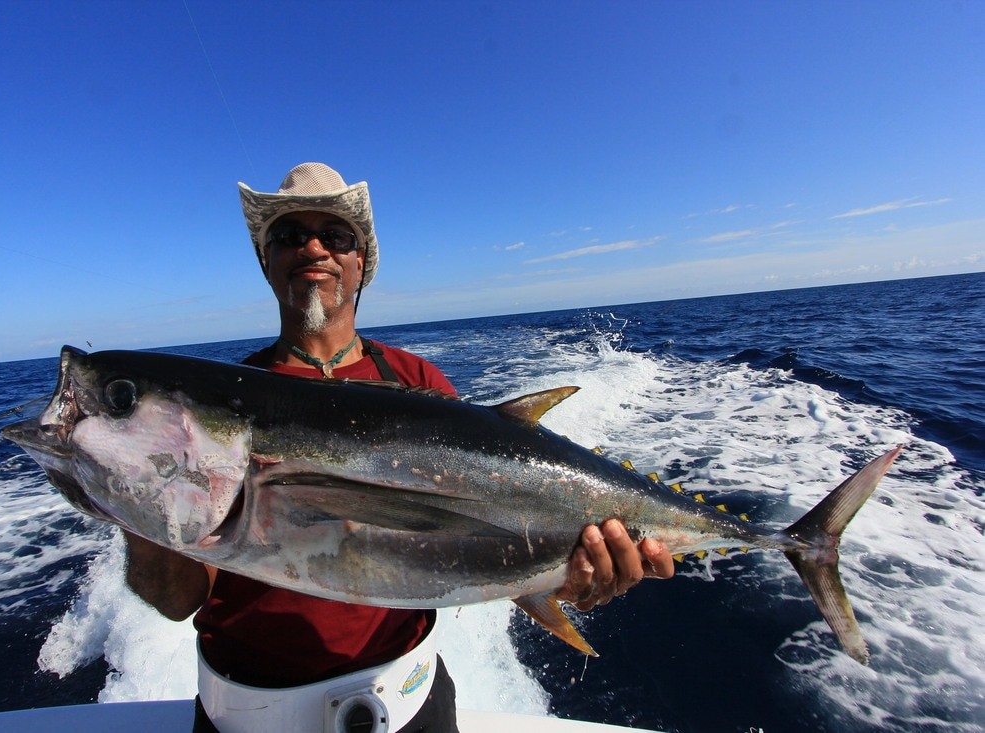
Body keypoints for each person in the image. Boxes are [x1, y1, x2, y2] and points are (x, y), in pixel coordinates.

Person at [123, 163, 675, 733]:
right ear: (267, 262)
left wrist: (569, 575)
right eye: (288, 235)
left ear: (361, 261)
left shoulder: (421, 385)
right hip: (245, 715)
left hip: (409, 705)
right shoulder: (218, 409)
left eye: (334, 235)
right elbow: (176, 599)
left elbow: (480, 535)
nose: (312, 248)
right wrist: (138, 502)